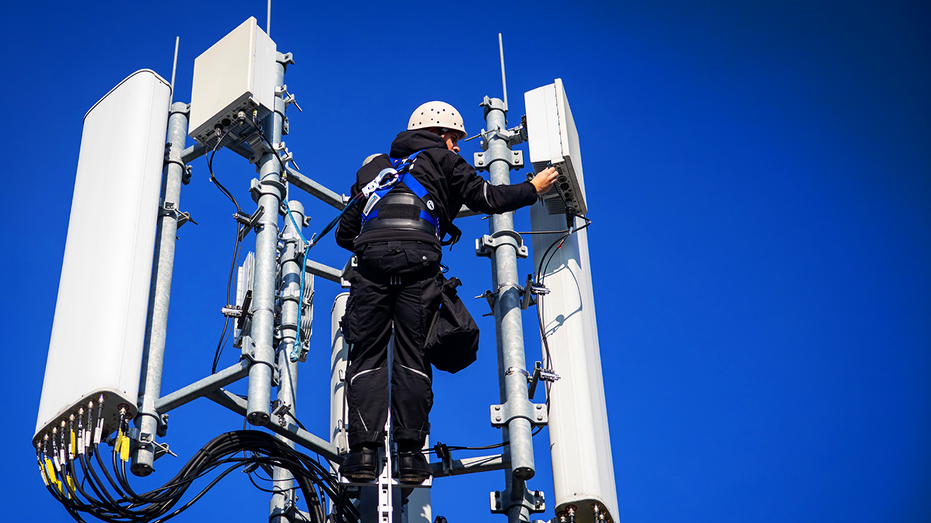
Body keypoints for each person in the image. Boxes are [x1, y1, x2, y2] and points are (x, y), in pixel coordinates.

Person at [334, 101, 558, 483]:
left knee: (366, 356)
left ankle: (362, 457)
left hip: (369, 264)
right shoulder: (444, 161)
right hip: (419, 262)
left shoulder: (374, 168)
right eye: (455, 138)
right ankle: (409, 457)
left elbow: (344, 233)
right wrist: (533, 189)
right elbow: (490, 198)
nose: (457, 147)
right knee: (412, 357)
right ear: (440, 133)